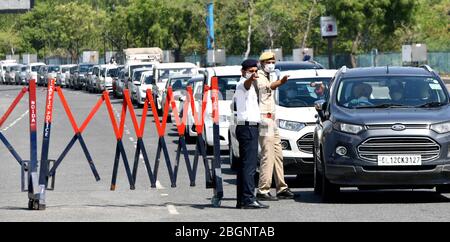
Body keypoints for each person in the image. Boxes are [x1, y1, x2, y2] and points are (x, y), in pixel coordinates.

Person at [255, 52, 295, 201]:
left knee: (278, 154)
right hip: (264, 121)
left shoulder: (267, 75)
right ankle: (263, 189)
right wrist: (281, 82)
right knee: (268, 155)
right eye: (269, 61)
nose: (271, 64)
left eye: (273, 61)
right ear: (262, 63)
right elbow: (269, 87)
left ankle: (281, 187)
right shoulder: (258, 76)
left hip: (272, 120)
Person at [233, 59, 269, 209]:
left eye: (255, 71)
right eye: (250, 71)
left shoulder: (249, 86)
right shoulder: (243, 84)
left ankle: (242, 199)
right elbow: (247, 84)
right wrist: (250, 79)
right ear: (243, 72)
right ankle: (248, 198)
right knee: (249, 166)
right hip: (247, 128)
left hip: (247, 127)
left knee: (244, 166)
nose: (253, 74)